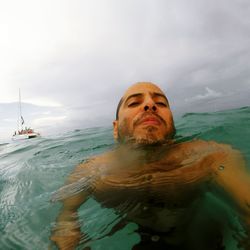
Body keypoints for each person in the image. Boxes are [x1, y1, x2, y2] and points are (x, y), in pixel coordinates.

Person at [50, 82, 250, 250]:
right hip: (142, 236)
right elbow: (66, 216)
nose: (149, 105)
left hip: (202, 236)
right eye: (135, 102)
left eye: (160, 103)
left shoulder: (211, 157)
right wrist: (67, 231)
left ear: (172, 121)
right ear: (115, 128)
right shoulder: (91, 171)